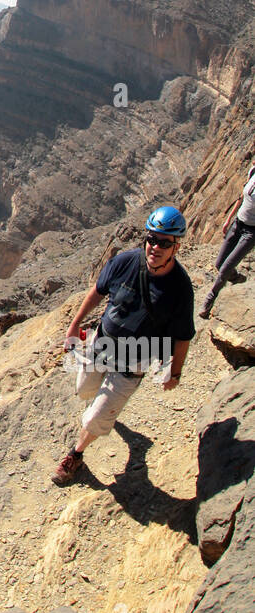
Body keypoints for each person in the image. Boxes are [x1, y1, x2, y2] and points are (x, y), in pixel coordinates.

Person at [51, 206, 195, 486]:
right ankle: (104, 409)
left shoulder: (180, 289)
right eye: (151, 239)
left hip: (132, 363)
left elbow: (183, 336)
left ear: (176, 246)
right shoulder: (126, 262)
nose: (155, 247)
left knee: (93, 419)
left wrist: (174, 373)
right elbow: (98, 291)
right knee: (84, 391)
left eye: (164, 243)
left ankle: (76, 455)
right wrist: (74, 325)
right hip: (100, 345)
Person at [198, 163, 255, 318]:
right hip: (238, 223)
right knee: (219, 263)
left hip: (251, 232)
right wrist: (228, 219)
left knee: (224, 268)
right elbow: (241, 197)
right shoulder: (253, 171)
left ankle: (210, 299)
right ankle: (236, 277)